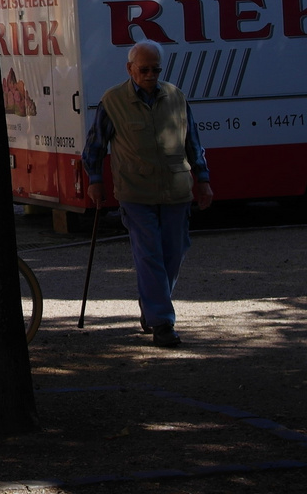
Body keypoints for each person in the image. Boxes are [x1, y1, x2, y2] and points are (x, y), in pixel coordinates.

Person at [85, 40, 213, 349]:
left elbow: (192, 141)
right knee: (149, 254)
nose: (150, 74)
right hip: (135, 190)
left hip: (176, 189)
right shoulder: (113, 100)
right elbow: (95, 145)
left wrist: (203, 179)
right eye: (144, 69)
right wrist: (95, 180)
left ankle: (152, 306)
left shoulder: (176, 96)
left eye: (156, 69)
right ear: (129, 69)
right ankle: (161, 321)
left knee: (174, 251)